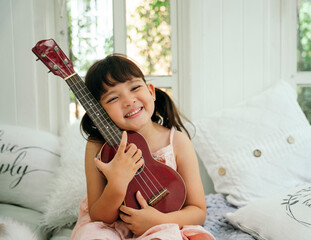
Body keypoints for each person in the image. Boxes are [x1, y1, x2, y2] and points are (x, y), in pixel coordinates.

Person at [70, 54, 214, 240]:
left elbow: (198, 211)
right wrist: (117, 182)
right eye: (113, 98)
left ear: (151, 92)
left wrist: (159, 221)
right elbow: (100, 216)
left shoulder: (176, 142)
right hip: (112, 227)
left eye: (135, 87)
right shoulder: (97, 146)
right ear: (100, 112)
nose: (129, 101)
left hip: (165, 219)